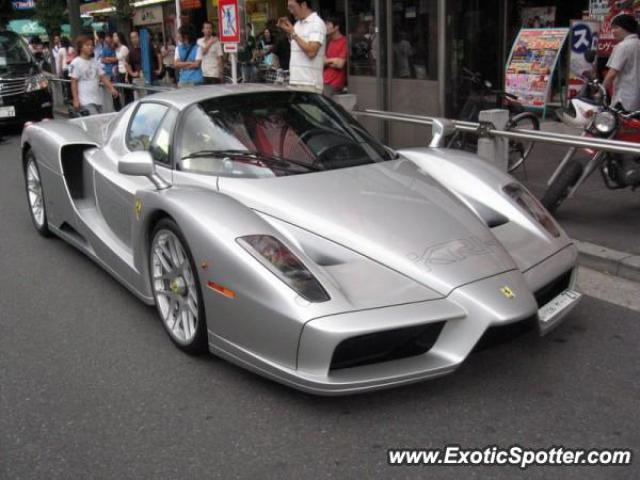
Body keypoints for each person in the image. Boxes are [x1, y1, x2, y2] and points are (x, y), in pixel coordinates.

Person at [277, 0, 326, 92]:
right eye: (289, 8)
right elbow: (297, 45)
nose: (290, 11)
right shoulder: (297, 24)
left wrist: (293, 33)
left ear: (303, 5)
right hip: (296, 81)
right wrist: (288, 31)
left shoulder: (317, 23)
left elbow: (311, 52)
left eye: (292, 7)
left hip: (310, 83)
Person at [69, 35, 119, 115]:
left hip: (97, 100)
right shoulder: (75, 63)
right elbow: (73, 82)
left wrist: (111, 88)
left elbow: (102, 76)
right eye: (87, 45)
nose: (90, 47)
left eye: (92, 45)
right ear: (81, 47)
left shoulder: (95, 61)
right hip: (85, 102)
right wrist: (76, 99)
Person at [604, 14, 640, 112]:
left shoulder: (623, 46)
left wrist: (601, 91)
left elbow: (612, 74)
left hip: (624, 99)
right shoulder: (638, 43)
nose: (613, 31)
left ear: (626, 27)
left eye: (616, 28)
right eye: (612, 28)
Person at [323, 16, 347, 97]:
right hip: (323, 81)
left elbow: (340, 64)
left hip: (335, 84)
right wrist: (333, 61)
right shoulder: (327, 41)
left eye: (328, 24)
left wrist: (326, 61)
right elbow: (321, 62)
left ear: (336, 27)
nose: (325, 27)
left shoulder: (344, 41)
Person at [100, 33, 122, 111]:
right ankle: (116, 109)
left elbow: (117, 59)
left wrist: (108, 59)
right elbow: (102, 59)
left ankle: (119, 108)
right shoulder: (105, 49)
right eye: (106, 41)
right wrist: (111, 59)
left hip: (116, 72)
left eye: (109, 41)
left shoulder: (115, 48)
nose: (108, 43)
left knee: (118, 90)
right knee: (112, 92)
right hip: (108, 73)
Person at [113, 32, 133, 106]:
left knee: (128, 93)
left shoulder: (124, 48)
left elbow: (127, 62)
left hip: (125, 72)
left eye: (115, 36)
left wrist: (127, 75)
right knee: (122, 91)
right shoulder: (116, 48)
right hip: (120, 72)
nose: (114, 38)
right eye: (113, 36)